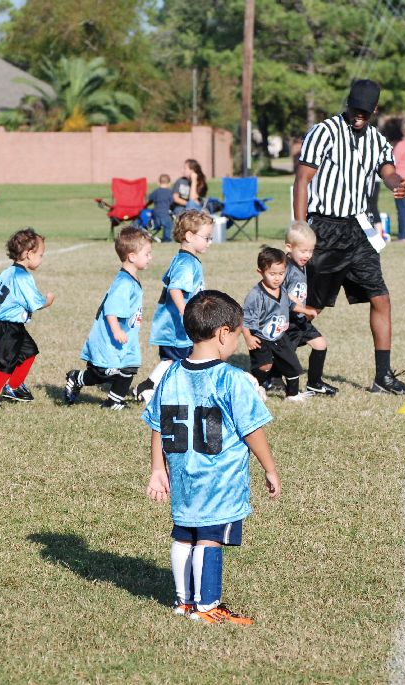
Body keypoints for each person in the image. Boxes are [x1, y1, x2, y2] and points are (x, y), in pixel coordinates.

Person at [144, 289, 280, 625]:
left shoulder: (170, 374)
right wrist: (270, 468)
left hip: (182, 474)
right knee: (209, 538)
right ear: (223, 334)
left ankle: (183, 602)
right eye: (236, 336)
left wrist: (158, 468)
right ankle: (206, 606)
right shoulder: (231, 379)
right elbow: (252, 429)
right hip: (219, 479)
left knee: (184, 534)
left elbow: (157, 424)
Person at [292, 79, 405, 395]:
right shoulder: (324, 132)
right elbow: (302, 179)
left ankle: (383, 377)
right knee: (311, 306)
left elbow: (387, 171)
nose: (358, 116)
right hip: (325, 227)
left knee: (380, 298)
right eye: (355, 110)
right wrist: (301, 228)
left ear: (374, 109)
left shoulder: (377, 139)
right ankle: (270, 365)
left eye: (365, 112)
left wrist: (398, 184)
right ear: (348, 104)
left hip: (360, 229)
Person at [65, 226, 153, 410]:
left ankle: (113, 401)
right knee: (102, 373)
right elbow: (110, 310)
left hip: (126, 338)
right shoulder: (124, 283)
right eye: (147, 254)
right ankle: (76, 378)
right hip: (110, 338)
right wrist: (117, 331)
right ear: (132, 256)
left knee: (129, 367)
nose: (150, 257)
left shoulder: (132, 279)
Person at [133, 210, 213, 403]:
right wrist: (186, 313)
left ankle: (149, 386)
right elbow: (175, 289)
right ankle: (150, 387)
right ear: (189, 236)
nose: (210, 242)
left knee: (176, 359)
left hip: (177, 326)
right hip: (175, 326)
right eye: (207, 237)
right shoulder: (186, 263)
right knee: (182, 359)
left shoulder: (187, 259)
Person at [0, 228, 55, 409]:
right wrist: (48, 301)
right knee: (6, 363)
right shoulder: (22, 276)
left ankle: (13, 387)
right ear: (28, 254)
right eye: (40, 255)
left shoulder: (7, 272)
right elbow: (35, 302)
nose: (41, 259)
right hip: (7, 325)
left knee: (29, 351)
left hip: (8, 324)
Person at [242, 246, 312, 402]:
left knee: (292, 366)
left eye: (281, 273)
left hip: (280, 337)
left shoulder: (282, 290)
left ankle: (292, 395)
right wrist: (248, 337)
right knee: (265, 366)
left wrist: (305, 310)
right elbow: (245, 319)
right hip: (261, 337)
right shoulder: (256, 295)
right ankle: (255, 386)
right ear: (260, 272)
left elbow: (290, 305)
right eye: (272, 274)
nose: (277, 278)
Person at [284, 221, 337, 395]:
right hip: (286, 321)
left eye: (311, 251)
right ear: (289, 247)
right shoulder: (284, 268)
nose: (307, 255)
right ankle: (271, 380)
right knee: (284, 355)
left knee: (320, 344)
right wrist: (304, 309)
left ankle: (314, 382)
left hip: (300, 320)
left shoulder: (302, 265)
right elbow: (282, 294)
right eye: (303, 251)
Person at [147, 174, 174, 241]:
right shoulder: (170, 192)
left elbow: (150, 198)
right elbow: (172, 202)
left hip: (156, 212)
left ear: (158, 182)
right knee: (168, 226)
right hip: (165, 213)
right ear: (169, 183)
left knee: (157, 224)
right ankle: (166, 239)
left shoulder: (156, 191)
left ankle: (153, 227)